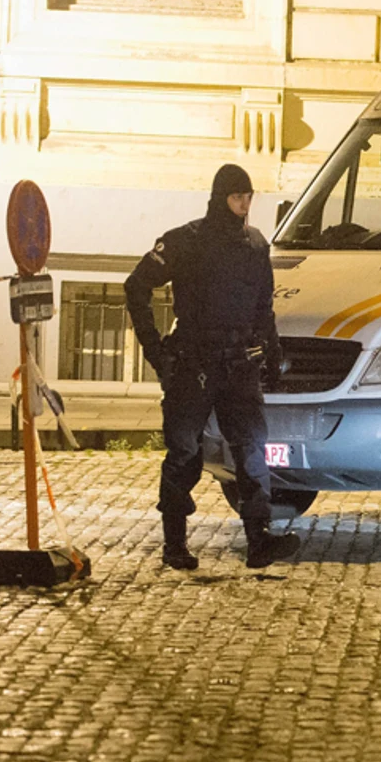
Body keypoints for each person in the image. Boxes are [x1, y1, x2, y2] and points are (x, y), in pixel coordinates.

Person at [126, 164, 302, 571]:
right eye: (236, 196)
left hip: (239, 363)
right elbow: (137, 285)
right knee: (185, 452)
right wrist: (155, 351)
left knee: (253, 452)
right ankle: (175, 543)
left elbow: (263, 307)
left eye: (248, 197)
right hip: (194, 362)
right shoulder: (186, 241)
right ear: (220, 197)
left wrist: (272, 353)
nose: (243, 205)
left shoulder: (256, 245)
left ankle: (259, 540)